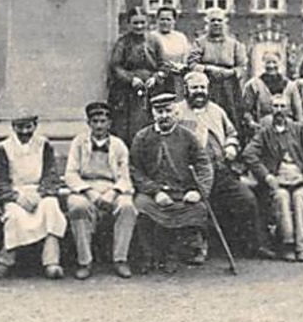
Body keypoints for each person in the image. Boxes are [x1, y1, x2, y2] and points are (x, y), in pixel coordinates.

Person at [175, 71, 274, 259]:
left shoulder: (217, 110)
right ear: (186, 90)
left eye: (202, 88)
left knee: (246, 199)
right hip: (191, 174)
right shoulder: (177, 111)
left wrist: (230, 146)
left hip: (220, 170)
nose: (199, 92)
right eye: (195, 88)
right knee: (197, 205)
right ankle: (197, 247)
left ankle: (255, 244)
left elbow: (232, 133)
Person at [130, 91, 213, 271]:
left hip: (181, 191)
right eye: (159, 112)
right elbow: (134, 170)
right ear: (153, 114)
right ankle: (148, 255)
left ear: (176, 113)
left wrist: (198, 191)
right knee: (141, 206)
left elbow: (204, 165)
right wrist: (155, 191)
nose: (164, 116)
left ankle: (174, 254)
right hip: (152, 194)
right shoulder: (142, 137)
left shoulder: (188, 136)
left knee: (196, 208)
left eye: (168, 111)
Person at [243, 92, 303, 262]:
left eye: (282, 106)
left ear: (289, 109)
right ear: (271, 110)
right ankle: (288, 244)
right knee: (282, 198)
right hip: (278, 179)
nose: (279, 110)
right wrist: (267, 176)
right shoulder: (265, 132)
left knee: (300, 198)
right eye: (275, 107)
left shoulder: (300, 129)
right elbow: (249, 154)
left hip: (298, 176)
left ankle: (302, 247)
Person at [64, 100, 136, 280]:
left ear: (109, 123)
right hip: (85, 188)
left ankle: (120, 259)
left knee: (127, 207)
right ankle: (84, 261)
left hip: (112, 188)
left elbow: (125, 176)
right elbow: (71, 174)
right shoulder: (79, 142)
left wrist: (113, 193)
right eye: (94, 121)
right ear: (88, 123)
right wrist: (90, 192)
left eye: (102, 121)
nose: (98, 125)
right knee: (77, 207)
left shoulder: (118, 145)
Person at [0, 112, 67, 280]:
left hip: (39, 192)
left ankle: (51, 261)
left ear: (35, 126)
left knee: (51, 208)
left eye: (28, 127)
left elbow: (51, 175)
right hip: (15, 194)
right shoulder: (4, 148)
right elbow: (0, 181)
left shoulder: (44, 145)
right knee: (14, 215)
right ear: (13, 127)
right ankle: (6, 259)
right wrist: (16, 197)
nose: (25, 132)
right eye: (20, 127)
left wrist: (40, 194)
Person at [108, 7, 169, 145]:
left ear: (148, 22)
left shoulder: (154, 41)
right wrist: (131, 79)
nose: (139, 26)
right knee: (127, 126)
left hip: (151, 90)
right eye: (135, 23)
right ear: (129, 24)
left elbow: (164, 65)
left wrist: (155, 78)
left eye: (142, 22)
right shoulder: (123, 42)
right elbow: (115, 66)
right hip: (127, 92)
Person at [187, 9, 247, 138]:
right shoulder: (200, 43)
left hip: (229, 87)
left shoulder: (234, 44)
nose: (216, 24)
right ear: (207, 24)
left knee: (232, 115)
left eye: (219, 21)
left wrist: (230, 72)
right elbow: (192, 64)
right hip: (207, 85)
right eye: (212, 20)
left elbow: (242, 67)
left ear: (225, 23)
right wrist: (208, 69)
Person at [242, 51, 303, 138]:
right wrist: (252, 123)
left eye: (274, 62)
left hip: (287, 131)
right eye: (268, 62)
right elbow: (246, 110)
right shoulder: (253, 85)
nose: (271, 66)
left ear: (280, 63)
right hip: (263, 130)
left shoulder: (290, 86)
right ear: (263, 64)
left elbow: (298, 112)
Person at [154, 6, 191, 97]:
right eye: (162, 19)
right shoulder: (152, 37)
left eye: (168, 19)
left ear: (174, 21)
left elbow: (187, 57)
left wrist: (182, 66)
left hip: (178, 78)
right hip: (159, 78)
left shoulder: (181, 37)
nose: (165, 22)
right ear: (157, 20)